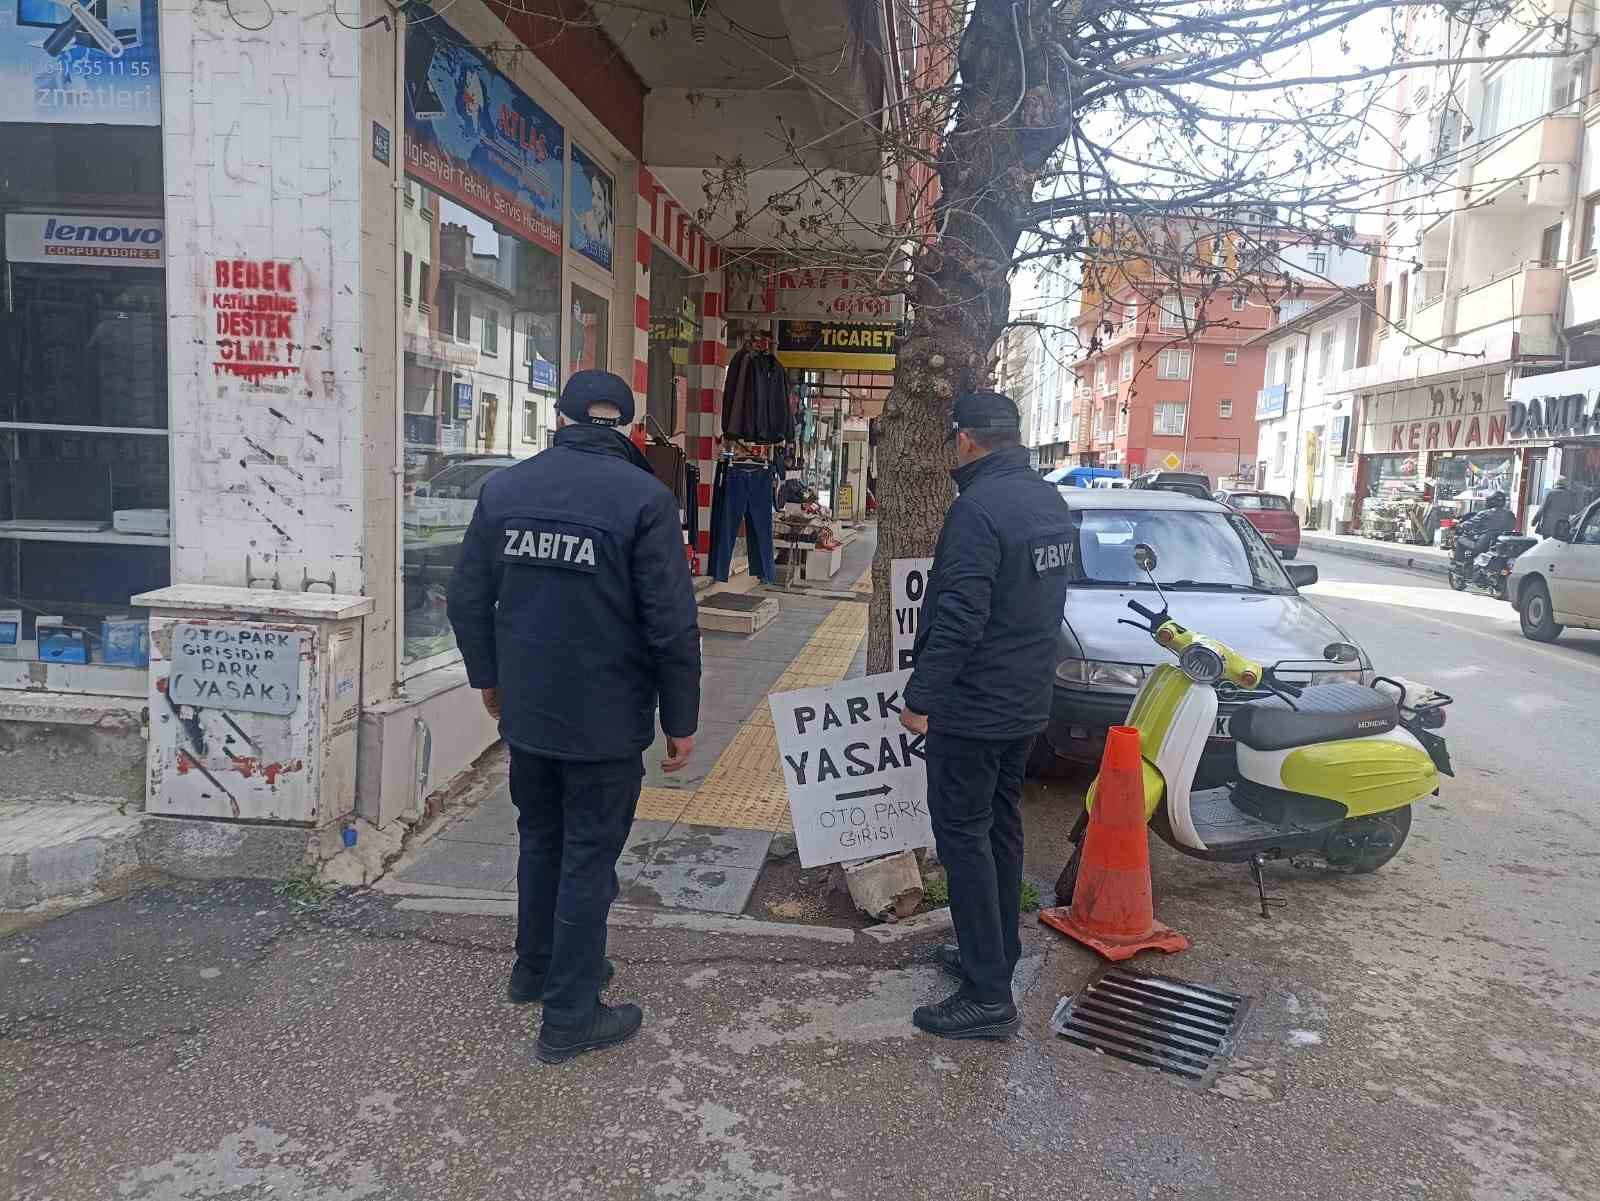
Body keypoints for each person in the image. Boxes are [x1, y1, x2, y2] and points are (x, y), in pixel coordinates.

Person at [448, 370, 701, 1065]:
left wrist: (489, 680)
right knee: (590, 855)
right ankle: (569, 1014)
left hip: (529, 711)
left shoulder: (505, 490)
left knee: (542, 836)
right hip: (608, 717)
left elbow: (466, 598)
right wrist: (682, 716)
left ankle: (538, 967)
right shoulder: (647, 499)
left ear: (559, 420)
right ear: (628, 430)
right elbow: (672, 625)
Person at [899, 391, 1073, 1041]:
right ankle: (995, 952)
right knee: (1000, 829)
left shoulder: (977, 509)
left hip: (974, 709)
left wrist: (921, 698)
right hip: (1026, 703)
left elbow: (960, 618)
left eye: (954, 441)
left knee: (964, 840)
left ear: (967, 440)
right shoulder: (1047, 502)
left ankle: (987, 994)